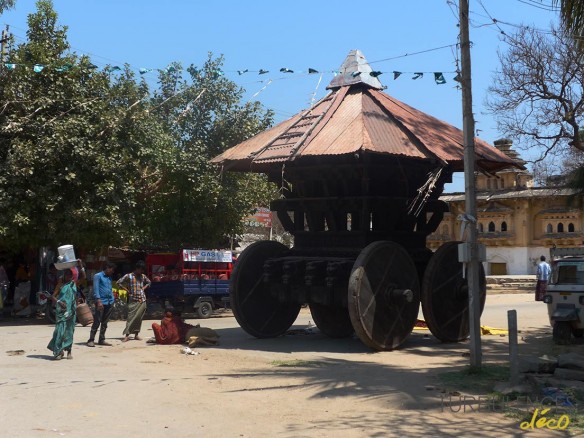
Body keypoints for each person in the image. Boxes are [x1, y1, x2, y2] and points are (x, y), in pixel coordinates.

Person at [47, 267, 77, 360]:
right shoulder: (60, 285)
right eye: (67, 274)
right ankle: (59, 351)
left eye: (71, 275)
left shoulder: (73, 284)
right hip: (61, 311)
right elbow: (52, 296)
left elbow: (83, 277)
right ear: (64, 275)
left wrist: (81, 266)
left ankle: (69, 351)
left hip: (71, 311)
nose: (69, 277)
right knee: (59, 331)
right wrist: (59, 302)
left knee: (69, 330)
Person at [118, 260, 151, 342]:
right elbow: (119, 283)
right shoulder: (128, 276)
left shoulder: (143, 276)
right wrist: (127, 290)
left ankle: (136, 334)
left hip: (142, 299)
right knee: (131, 318)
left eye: (143, 270)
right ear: (137, 268)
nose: (142, 271)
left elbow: (149, 282)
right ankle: (127, 335)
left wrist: (144, 288)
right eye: (141, 269)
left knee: (139, 318)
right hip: (133, 300)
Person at [87, 261, 116, 347]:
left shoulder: (109, 278)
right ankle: (91, 340)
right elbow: (96, 289)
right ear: (107, 267)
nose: (112, 271)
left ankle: (101, 339)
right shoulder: (98, 276)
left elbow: (109, 289)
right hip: (101, 302)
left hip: (109, 302)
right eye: (112, 269)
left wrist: (112, 299)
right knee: (97, 321)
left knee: (105, 322)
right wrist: (98, 301)